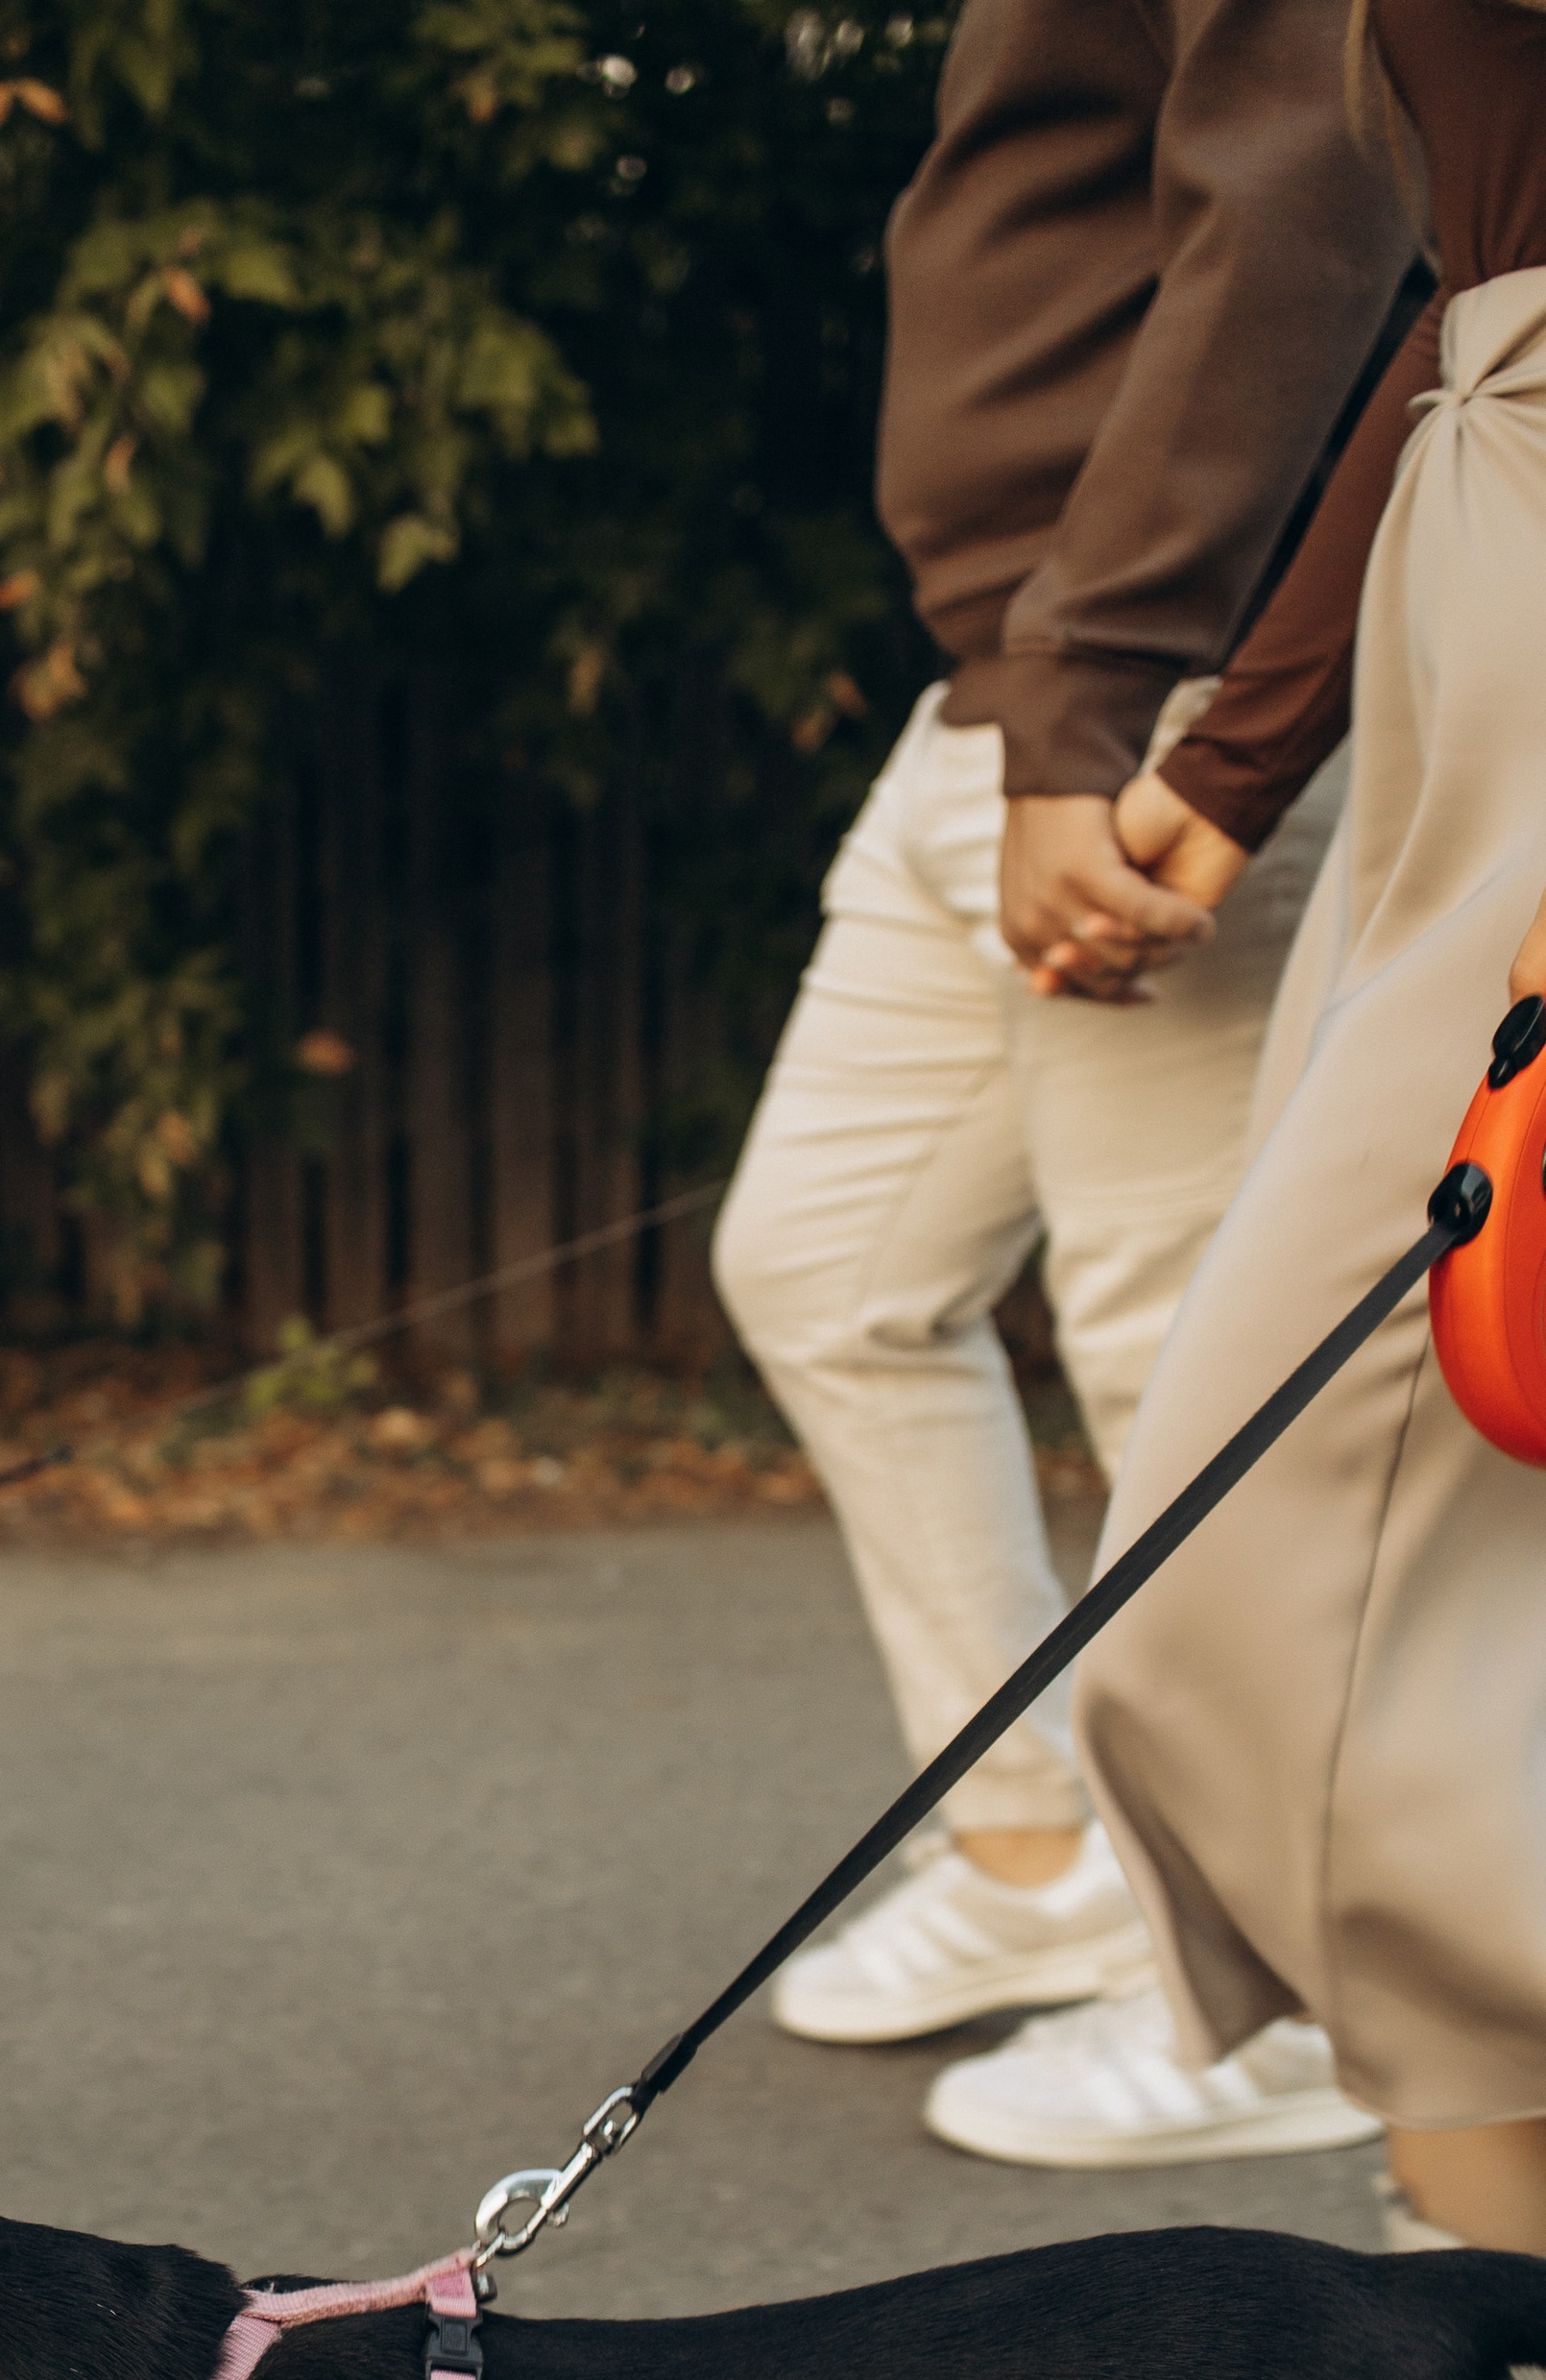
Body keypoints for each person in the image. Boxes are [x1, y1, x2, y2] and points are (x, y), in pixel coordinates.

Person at [712, 0, 1413, 2159]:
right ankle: (1036, 1860)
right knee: (824, 1269)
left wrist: (1101, 691)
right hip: (1008, 672)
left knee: (1177, 1381)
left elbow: (1300, 186)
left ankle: (1279, 2007)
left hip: (1145, 678)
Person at [943, 0, 1546, 2257]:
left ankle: (1474, 2371)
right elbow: (1446, 335)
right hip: (1473, 591)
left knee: (1261, 1600)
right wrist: (1231, 756)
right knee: (1348, 1614)